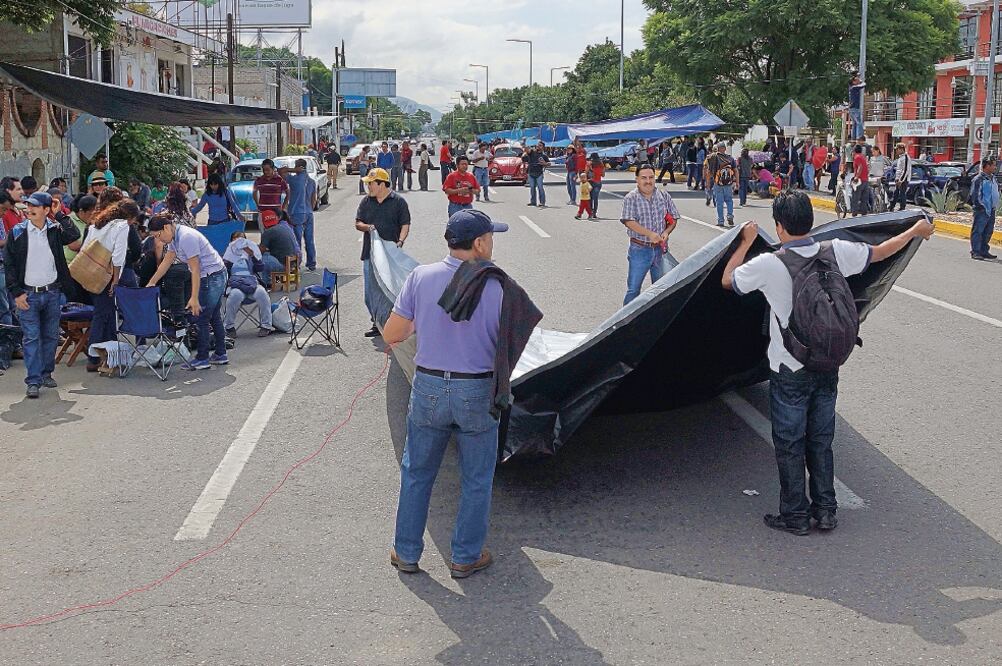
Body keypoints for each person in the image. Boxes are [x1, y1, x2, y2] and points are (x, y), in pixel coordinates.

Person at [722, 189, 934, 535]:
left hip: (789, 368)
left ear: (779, 227)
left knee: (790, 443)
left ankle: (794, 515)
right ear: (810, 221)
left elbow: (728, 281)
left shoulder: (770, 263)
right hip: (828, 362)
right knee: (820, 439)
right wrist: (915, 232)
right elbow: (880, 252)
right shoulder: (834, 251)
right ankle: (826, 510)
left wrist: (745, 241)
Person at [382, 209, 541, 579]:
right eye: (491, 237)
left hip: (430, 387)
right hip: (477, 390)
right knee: (476, 478)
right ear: (480, 243)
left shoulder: (420, 277)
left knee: (417, 473)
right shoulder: (500, 287)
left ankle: (406, 552)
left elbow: (393, 334)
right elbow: (515, 341)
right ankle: (465, 556)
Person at [3, 191, 81, 397]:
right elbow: (9, 265)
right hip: (28, 295)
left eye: (36, 206)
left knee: (50, 336)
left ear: (46, 210)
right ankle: (33, 380)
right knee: (31, 337)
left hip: (52, 292)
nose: (30, 210)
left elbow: (73, 236)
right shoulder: (18, 232)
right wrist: (16, 293)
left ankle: (47, 373)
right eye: (29, 206)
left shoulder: (55, 230)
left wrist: (60, 214)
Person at [145, 215, 229, 370]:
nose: (159, 240)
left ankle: (202, 358)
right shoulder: (174, 238)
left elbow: (195, 269)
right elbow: (167, 260)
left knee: (201, 317)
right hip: (213, 274)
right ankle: (220, 353)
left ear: (166, 227)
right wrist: (152, 282)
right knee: (214, 315)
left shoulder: (186, 237)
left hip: (211, 276)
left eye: (158, 236)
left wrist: (194, 297)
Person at [81, 200, 139, 376]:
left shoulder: (97, 224)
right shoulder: (121, 226)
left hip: (91, 274)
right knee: (105, 315)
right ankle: (96, 357)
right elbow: (119, 256)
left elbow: (85, 249)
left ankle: (105, 357)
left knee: (102, 313)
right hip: (107, 275)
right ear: (128, 217)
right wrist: (115, 280)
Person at [355, 167, 410, 338]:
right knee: (370, 293)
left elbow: (405, 225)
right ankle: (376, 321)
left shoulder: (398, 202)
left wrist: (400, 242)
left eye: (371, 184)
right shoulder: (366, 202)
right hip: (369, 254)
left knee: (388, 290)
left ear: (381, 184)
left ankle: (387, 324)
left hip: (391, 256)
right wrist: (368, 227)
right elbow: (358, 223)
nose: (369, 187)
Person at [620, 164, 680, 305]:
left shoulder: (663, 196)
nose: (648, 181)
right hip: (639, 250)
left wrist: (666, 232)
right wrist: (650, 234)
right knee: (633, 290)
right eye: (644, 178)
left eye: (651, 177)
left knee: (660, 289)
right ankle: (626, 321)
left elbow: (673, 218)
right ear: (637, 180)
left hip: (660, 250)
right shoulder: (631, 198)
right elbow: (628, 221)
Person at [222, 231, 273, 338]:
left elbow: (260, 268)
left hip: (251, 283)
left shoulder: (251, 254)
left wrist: (252, 255)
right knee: (235, 295)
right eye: (236, 239)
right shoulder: (228, 255)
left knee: (262, 293)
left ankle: (266, 325)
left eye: (242, 239)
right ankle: (229, 327)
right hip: (236, 285)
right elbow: (223, 272)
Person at [283, 159, 315, 270]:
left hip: (296, 212)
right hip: (309, 212)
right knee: (309, 240)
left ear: (298, 167)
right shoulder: (311, 181)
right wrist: (309, 209)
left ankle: (297, 263)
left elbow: (280, 171)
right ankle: (311, 264)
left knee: (296, 240)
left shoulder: (294, 179)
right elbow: (313, 199)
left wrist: (291, 169)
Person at [258, 209, 300, 288]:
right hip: (293, 263)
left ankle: (264, 282)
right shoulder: (284, 226)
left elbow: (260, 251)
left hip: (284, 265)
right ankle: (273, 281)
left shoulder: (268, 232)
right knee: (267, 255)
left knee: (262, 259)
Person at [969, 157, 1000, 260]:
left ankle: (984, 251)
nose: (995, 167)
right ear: (987, 166)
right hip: (982, 210)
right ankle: (975, 251)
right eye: (993, 165)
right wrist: (981, 206)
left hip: (991, 209)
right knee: (978, 230)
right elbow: (975, 195)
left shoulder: (993, 178)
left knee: (988, 231)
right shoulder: (978, 179)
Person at [706, 143, 737, 227]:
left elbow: (708, 172)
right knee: (729, 201)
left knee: (719, 203)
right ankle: (730, 215)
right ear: (725, 148)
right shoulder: (730, 158)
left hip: (718, 184)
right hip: (728, 184)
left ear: (718, 149)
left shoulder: (713, 157)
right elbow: (736, 171)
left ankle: (721, 221)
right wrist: (737, 183)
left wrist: (708, 184)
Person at [523, 142, 549, 207]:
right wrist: (524, 143)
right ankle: (533, 202)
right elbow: (527, 150)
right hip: (531, 172)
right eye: (537, 145)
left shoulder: (544, 155)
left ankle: (542, 202)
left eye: (540, 145)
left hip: (539, 173)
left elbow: (549, 163)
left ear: (543, 147)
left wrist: (544, 163)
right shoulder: (532, 152)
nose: (538, 146)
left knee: (540, 188)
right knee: (532, 188)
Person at [850, 144, 871, 216]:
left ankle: (854, 214)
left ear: (854, 151)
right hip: (865, 180)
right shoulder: (863, 157)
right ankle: (863, 214)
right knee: (864, 199)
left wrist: (856, 177)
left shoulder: (857, 157)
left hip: (859, 181)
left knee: (855, 198)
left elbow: (860, 167)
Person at [890, 143, 912, 212]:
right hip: (898, 179)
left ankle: (902, 208)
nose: (896, 151)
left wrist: (901, 180)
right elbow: (899, 169)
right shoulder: (900, 157)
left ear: (901, 149)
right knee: (896, 193)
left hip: (903, 180)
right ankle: (891, 207)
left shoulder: (906, 157)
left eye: (897, 149)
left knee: (902, 194)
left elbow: (906, 170)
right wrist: (896, 178)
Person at [848, 73, 866, 140]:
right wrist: (860, 80)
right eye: (856, 80)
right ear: (853, 82)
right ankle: (859, 137)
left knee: (855, 124)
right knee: (859, 123)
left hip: (852, 108)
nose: (857, 81)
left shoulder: (851, 88)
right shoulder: (854, 88)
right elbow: (864, 84)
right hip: (855, 108)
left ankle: (853, 138)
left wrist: (857, 77)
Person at [587, 153, 605, 217]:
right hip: (598, 182)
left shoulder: (589, 164)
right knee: (596, 198)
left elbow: (586, 173)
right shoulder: (601, 164)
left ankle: (590, 212)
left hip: (591, 182)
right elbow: (603, 175)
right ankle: (594, 213)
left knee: (590, 198)